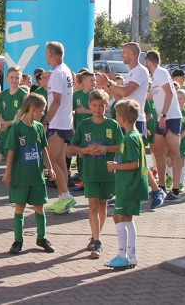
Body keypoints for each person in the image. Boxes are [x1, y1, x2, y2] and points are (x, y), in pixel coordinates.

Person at [96, 42, 165, 209]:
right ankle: (124, 193)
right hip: (126, 118)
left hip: (136, 119)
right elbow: (121, 97)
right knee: (124, 155)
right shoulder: (132, 72)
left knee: (137, 158)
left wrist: (110, 83)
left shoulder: (140, 71)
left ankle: (156, 190)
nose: (122, 56)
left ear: (133, 54)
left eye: (124, 53)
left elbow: (126, 92)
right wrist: (106, 86)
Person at [70, 89, 122, 259]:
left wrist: (105, 148)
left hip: (107, 172)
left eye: (101, 105)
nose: (98, 109)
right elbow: (72, 147)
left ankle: (95, 235)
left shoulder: (112, 125)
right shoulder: (84, 125)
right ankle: (98, 242)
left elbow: (121, 146)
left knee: (102, 204)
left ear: (106, 106)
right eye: (94, 105)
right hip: (90, 172)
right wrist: (85, 150)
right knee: (92, 204)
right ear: (89, 105)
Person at [3, 93, 56, 255]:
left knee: (39, 207)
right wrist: (7, 172)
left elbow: (43, 149)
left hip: (36, 177)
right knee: (20, 208)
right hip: (21, 177)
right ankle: (18, 240)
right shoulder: (17, 128)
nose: (43, 114)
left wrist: (49, 168)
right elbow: (11, 151)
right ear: (33, 109)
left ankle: (42, 238)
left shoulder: (39, 127)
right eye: (42, 111)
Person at [105, 99, 150, 269]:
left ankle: (122, 254)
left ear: (122, 119)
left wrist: (115, 166)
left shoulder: (130, 138)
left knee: (118, 216)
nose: (115, 118)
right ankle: (131, 255)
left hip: (129, 185)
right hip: (130, 184)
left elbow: (134, 164)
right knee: (127, 218)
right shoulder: (134, 136)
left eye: (116, 115)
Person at [145, 50, 184, 201]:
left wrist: (164, 115)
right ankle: (160, 186)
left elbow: (169, 93)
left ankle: (175, 189)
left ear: (149, 60)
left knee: (174, 152)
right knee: (158, 151)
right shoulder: (155, 77)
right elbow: (150, 95)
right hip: (161, 117)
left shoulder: (160, 73)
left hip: (171, 117)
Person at [0, 66, 27, 198]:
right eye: (12, 77)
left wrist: (8, 124)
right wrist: (3, 122)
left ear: (21, 79)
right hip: (4, 133)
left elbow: (23, 115)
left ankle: (17, 192)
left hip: (17, 133)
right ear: (7, 78)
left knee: (15, 161)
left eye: (17, 77)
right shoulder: (3, 94)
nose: (14, 80)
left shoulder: (23, 95)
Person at [43, 42, 76, 214]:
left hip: (57, 123)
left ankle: (66, 196)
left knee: (49, 158)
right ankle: (64, 198)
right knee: (60, 161)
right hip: (65, 122)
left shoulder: (57, 73)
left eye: (46, 53)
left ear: (50, 54)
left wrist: (46, 121)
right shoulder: (66, 70)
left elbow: (56, 100)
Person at [176, 88, 185, 191]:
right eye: (177, 98)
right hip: (174, 138)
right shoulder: (172, 111)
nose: (179, 100)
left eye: (181, 98)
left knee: (181, 160)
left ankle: (181, 182)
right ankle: (172, 178)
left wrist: (180, 137)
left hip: (183, 139)